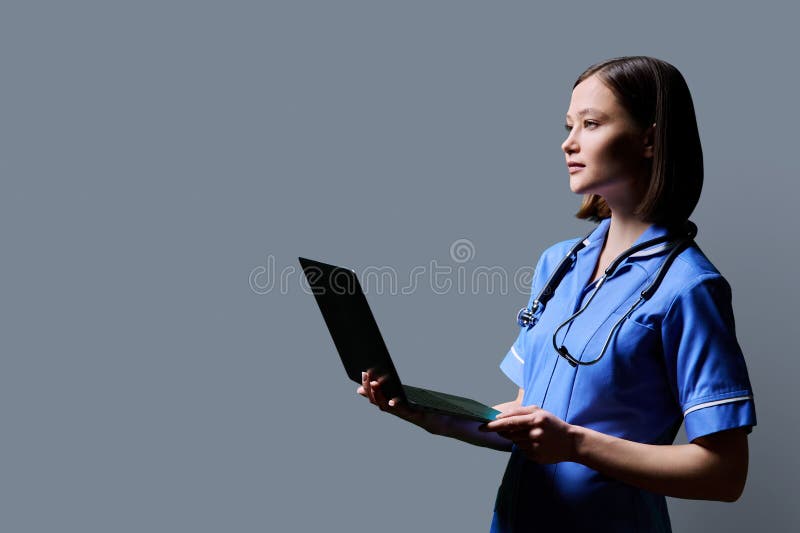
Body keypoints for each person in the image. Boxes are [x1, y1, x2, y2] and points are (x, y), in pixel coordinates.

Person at [358, 56, 756, 532]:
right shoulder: (559, 263)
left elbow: (724, 474)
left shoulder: (688, 287)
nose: (569, 142)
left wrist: (576, 445)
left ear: (650, 138)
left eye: (591, 124)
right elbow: (524, 422)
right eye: (569, 125)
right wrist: (419, 411)